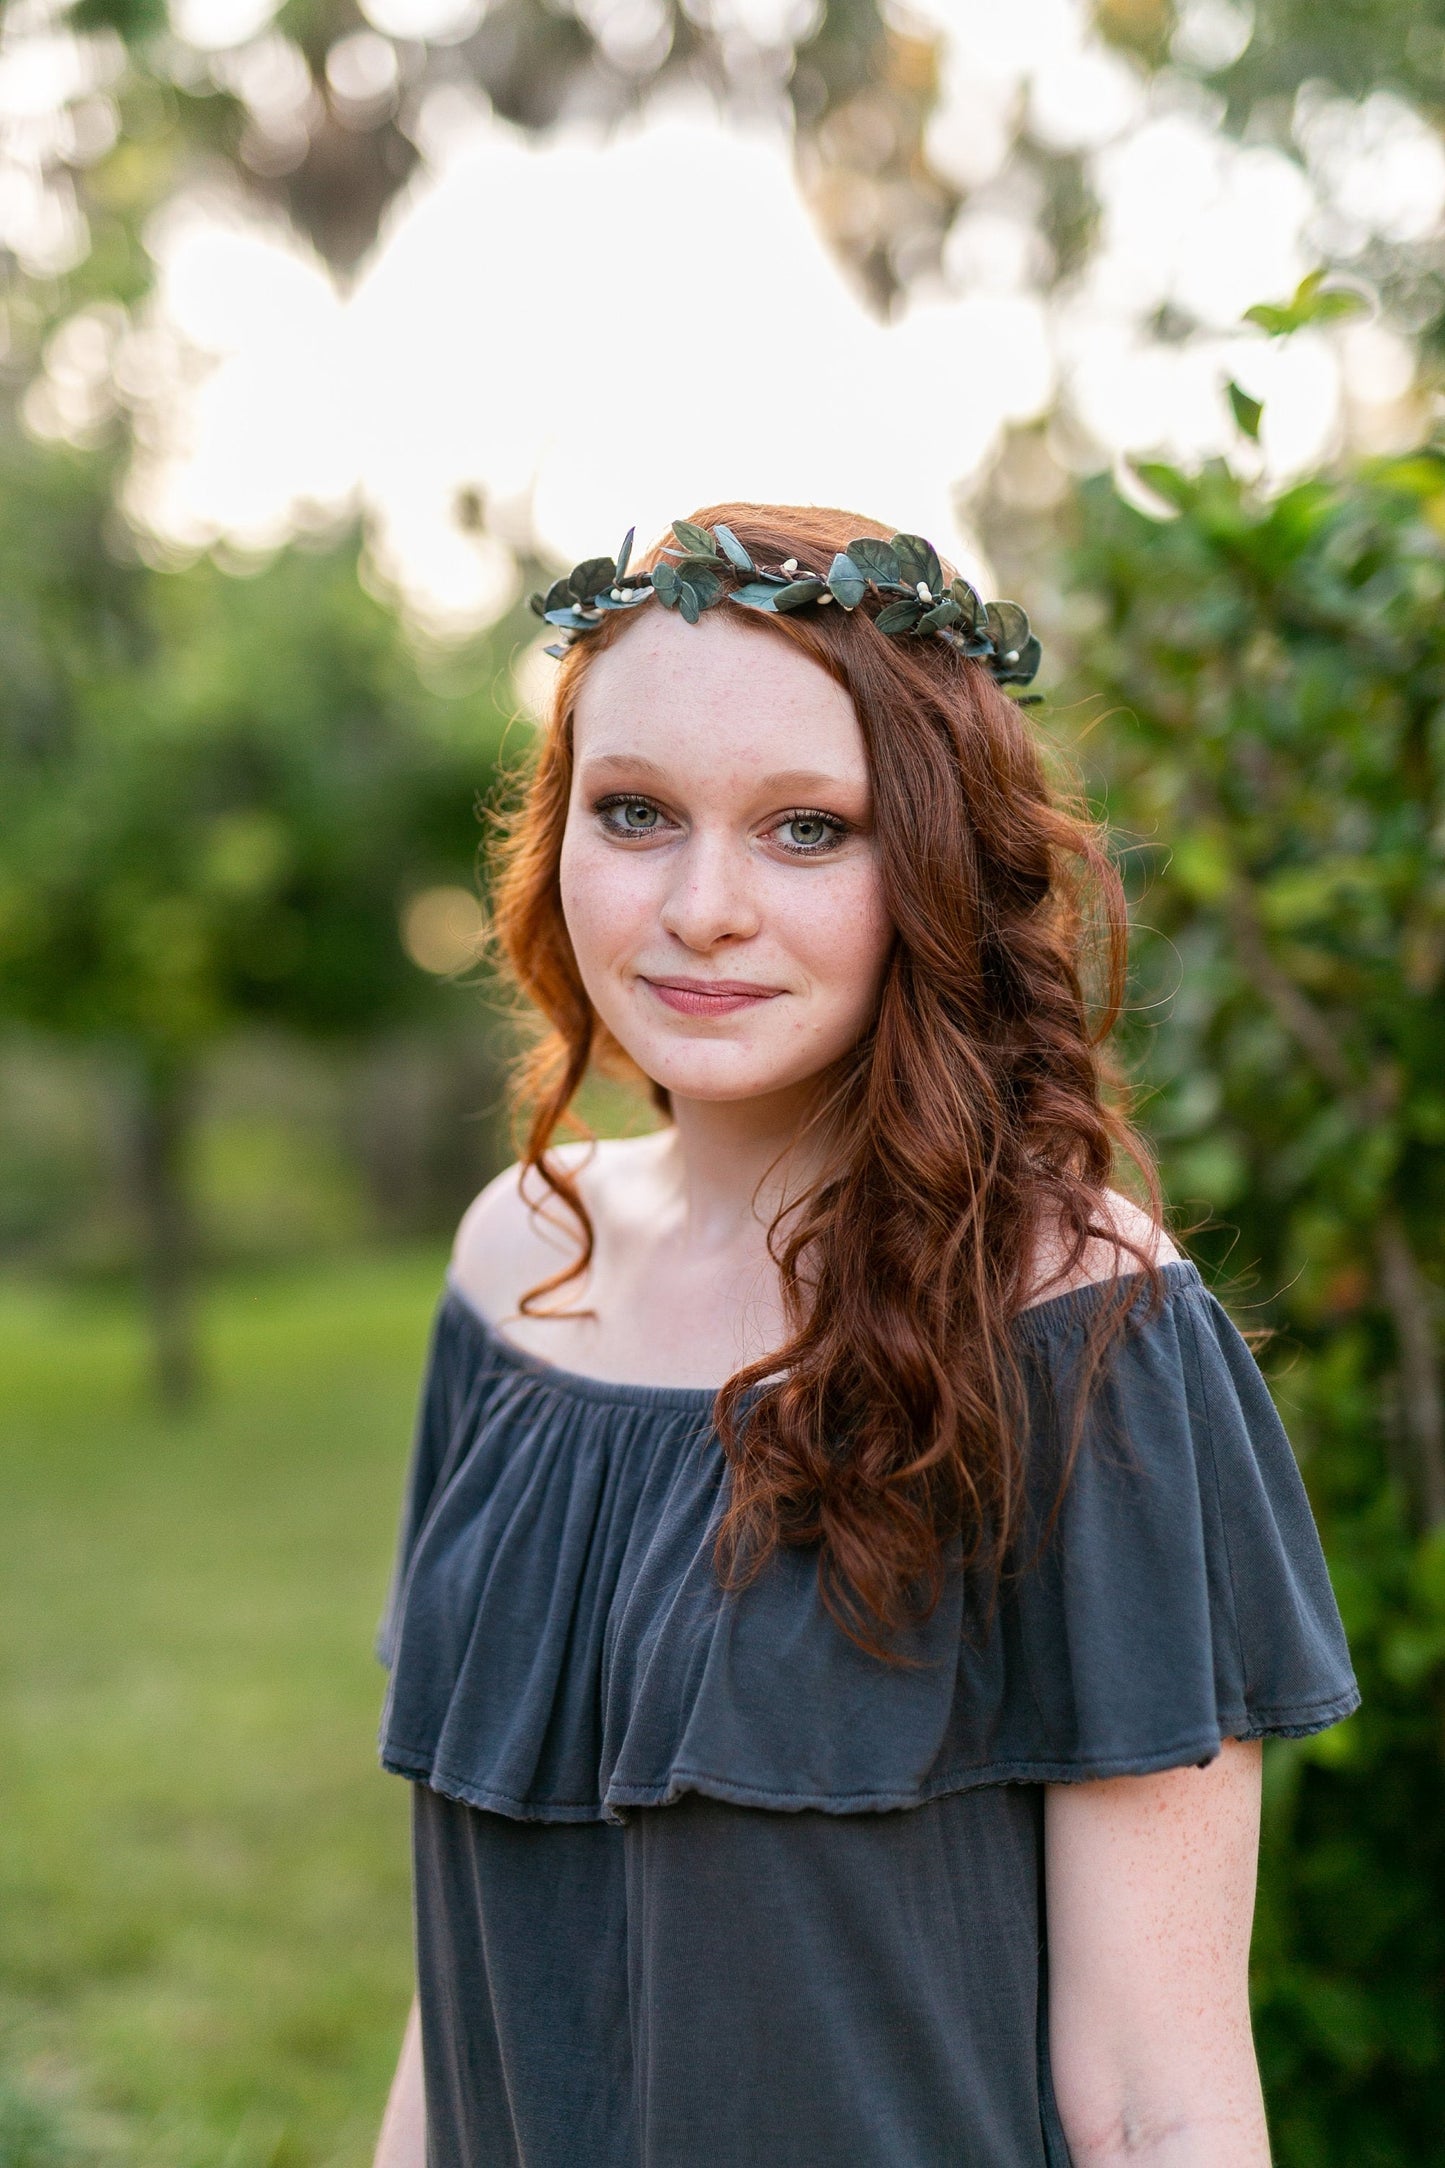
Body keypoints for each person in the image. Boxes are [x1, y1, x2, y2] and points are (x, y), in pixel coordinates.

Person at [371, 505, 1358, 2168]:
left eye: (806, 830)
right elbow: (459, 1975)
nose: (700, 907)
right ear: (554, 844)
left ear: (938, 863)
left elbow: (1155, 2097)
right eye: (634, 814)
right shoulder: (511, 1267)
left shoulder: (1077, 1312)